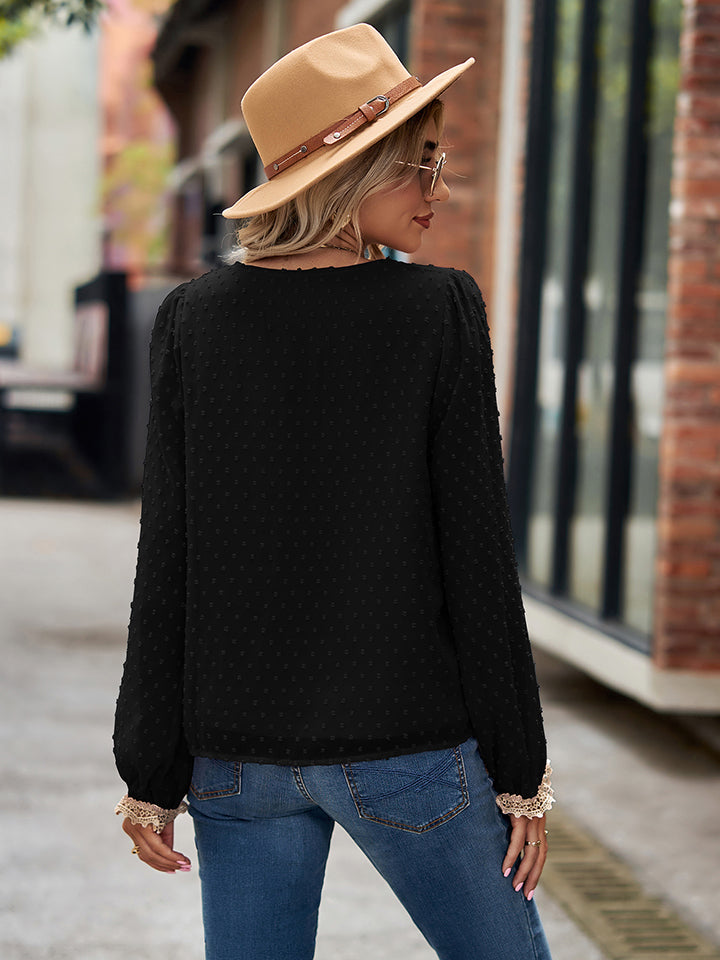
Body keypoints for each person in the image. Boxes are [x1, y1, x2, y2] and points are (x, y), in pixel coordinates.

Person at [113, 22, 555, 960]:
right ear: (351, 175)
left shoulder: (192, 319)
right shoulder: (439, 311)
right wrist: (521, 772)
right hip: (408, 749)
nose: (440, 191)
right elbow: (477, 554)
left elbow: (169, 556)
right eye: (422, 165)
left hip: (237, 763)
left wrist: (150, 772)